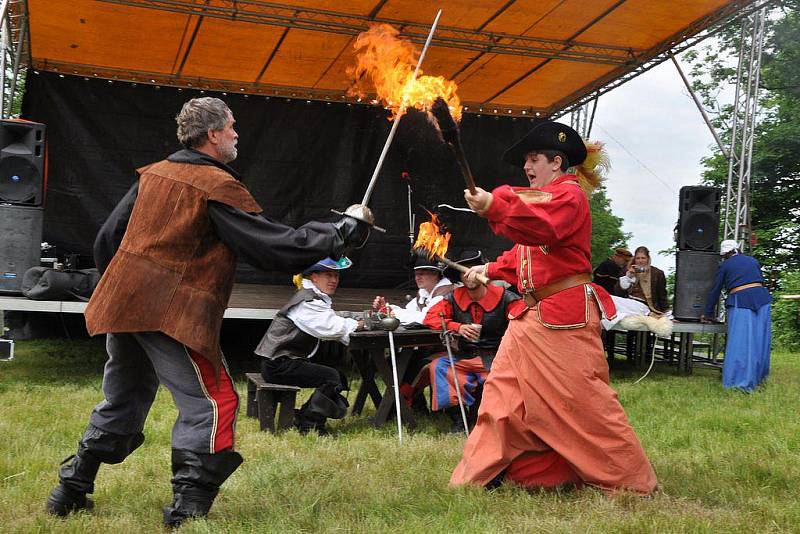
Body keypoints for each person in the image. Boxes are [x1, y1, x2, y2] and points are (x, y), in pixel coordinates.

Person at [45, 97, 370, 527]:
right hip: (169, 311)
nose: (237, 134)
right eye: (232, 127)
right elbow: (271, 246)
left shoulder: (153, 174)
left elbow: (108, 238)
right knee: (213, 403)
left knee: (122, 400)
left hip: (125, 305)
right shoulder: (215, 184)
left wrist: (122, 287)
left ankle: (69, 490)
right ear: (214, 134)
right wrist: (340, 232)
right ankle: (188, 511)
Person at [453, 121, 657, 495]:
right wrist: (489, 270)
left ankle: (631, 482)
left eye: (534, 158)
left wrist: (494, 205)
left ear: (557, 162)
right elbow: (522, 255)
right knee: (501, 396)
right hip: (528, 318)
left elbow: (541, 224)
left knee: (581, 403)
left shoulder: (568, 196)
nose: (527, 166)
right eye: (526, 160)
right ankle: (477, 477)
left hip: (563, 317)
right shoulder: (542, 202)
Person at [255, 256, 362, 434]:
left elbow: (331, 324)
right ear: (314, 277)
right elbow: (331, 328)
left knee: (338, 377)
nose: (334, 280)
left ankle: (304, 416)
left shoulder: (314, 298)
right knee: (332, 377)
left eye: (336, 276)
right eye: (329, 275)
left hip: (284, 362)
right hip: (278, 365)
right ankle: (310, 425)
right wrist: (359, 325)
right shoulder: (307, 302)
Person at [420, 250, 522, 432]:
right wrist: (457, 327)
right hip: (465, 358)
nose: (468, 275)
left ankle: (488, 417)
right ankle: (460, 421)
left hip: (497, 359)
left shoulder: (505, 298)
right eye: (463, 271)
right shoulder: (453, 298)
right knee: (438, 367)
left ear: (482, 272)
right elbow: (431, 318)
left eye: (472, 269)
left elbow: (524, 321)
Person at [701, 240, 771, 392]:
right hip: (762, 299)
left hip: (741, 300)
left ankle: (739, 382)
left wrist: (707, 313)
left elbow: (715, 290)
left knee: (741, 342)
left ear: (725, 255)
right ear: (737, 249)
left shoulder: (725, 265)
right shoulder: (752, 261)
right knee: (760, 341)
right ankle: (759, 378)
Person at [372, 253, 454, 325]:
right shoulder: (423, 293)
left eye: (421, 274)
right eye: (416, 274)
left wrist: (395, 313)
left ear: (435, 273)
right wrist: (387, 309)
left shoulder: (445, 293)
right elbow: (409, 311)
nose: (417, 278)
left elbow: (427, 318)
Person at [616, 246, 669, 315]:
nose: (640, 261)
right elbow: (618, 293)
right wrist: (629, 276)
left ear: (648, 259)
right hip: (628, 303)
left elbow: (662, 295)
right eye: (638, 258)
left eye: (643, 258)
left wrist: (665, 311)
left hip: (645, 306)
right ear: (635, 259)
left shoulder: (657, 273)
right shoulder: (626, 271)